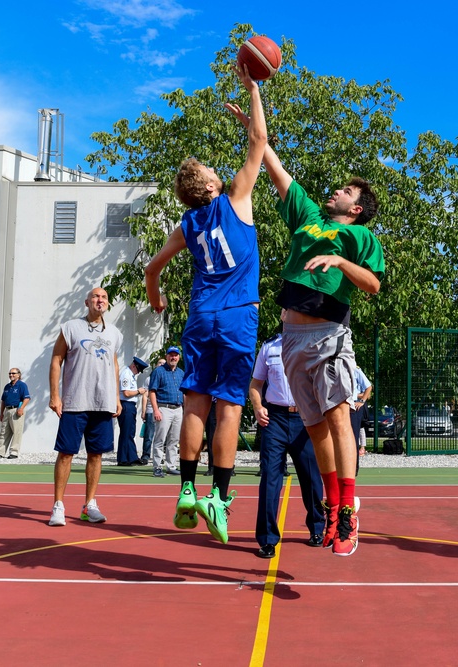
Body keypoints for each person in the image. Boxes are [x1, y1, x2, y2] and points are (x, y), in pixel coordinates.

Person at [226, 103, 385, 556]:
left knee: (338, 422)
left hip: (328, 334)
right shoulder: (307, 216)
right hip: (291, 339)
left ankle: (348, 510)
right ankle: (333, 508)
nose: (335, 190)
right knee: (315, 431)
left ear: (355, 208)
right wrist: (253, 115)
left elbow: (373, 285)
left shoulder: (361, 238)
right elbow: (271, 159)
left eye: (345, 190)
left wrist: (339, 260)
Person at [145, 63, 268, 545]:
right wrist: (253, 90)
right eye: (212, 171)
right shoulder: (235, 199)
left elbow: (153, 268)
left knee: (195, 402)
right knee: (230, 405)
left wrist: (157, 296)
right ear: (211, 185)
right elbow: (259, 141)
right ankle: (218, 496)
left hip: (200, 316)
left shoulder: (188, 225)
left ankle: (185, 489)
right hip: (238, 315)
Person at [47, 287, 122, 527]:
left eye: (104, 298)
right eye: (95, 297)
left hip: (103, 403)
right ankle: (58, 505)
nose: (100, 300)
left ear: (107, 304)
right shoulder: (70, 328)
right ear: (87, 302)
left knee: (96, 455)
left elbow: (115, 364)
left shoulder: (114, 333)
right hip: (74, 401)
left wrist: (117, 398)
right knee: (67, 453)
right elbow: (56, 360)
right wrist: (55, 396)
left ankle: (89, 505)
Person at [250, 327, 325, 558]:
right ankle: (267, 540)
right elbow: (255, 385)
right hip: (275, 420)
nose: (290, 315)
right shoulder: (269, 347)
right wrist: (257, 406)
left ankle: (317, 529)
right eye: (286, 311)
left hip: (305, 418)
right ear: (283, 316)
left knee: (311, 477)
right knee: (270, 479)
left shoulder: (314, 345)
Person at [147, 347, 185, 478]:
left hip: (178, 409)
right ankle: (157, 467)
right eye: (171, 355)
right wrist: (156, 409)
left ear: (179, 357)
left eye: (175, 355)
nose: (173, 357)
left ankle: (171, 466)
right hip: (164, 408)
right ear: (167, 356)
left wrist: (185, 410)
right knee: (160, 439)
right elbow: (152, 391)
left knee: (174, 440)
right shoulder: (159, 371)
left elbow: (184, 393)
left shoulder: (181, 373)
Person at [0, 367, 30, 459]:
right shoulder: (7, 386)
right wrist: (1, 413)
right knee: (4, 431)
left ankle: (14, 453)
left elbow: (26, 398)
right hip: (7, 410)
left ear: (18, 375)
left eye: (13, 373)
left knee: (16, 432)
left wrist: (21, 408)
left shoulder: (22, 385)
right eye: (10, 373)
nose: (11, 375)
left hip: (16, 410)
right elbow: (3, 400)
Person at [117, 356, 148, 466]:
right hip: (126, 405)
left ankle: (130, 457)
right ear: (134, 366)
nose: (138, 372)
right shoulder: (126, 374)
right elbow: (126, 393)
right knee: (126, 432)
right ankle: (124, 459)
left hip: (130, 405)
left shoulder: (130, 374)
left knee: (129, 432)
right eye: (138, 370)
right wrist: (138, 391)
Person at [139, 359, 164, 466]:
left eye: (163, 363)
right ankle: (145, 456)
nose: (161, 365)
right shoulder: (149, 379)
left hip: (162, 410)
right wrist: (143, 411)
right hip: (150, 410)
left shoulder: (165, 378)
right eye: (159, 363)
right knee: (148, 435)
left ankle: (159, 456)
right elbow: (145, 396)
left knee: (161, 436)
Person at [350, 366, 372, 460]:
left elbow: (368, 388)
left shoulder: (355, 369)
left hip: (354, 405)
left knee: (358, 430)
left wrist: (361, 401)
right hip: (340, 405)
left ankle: (360, 449)